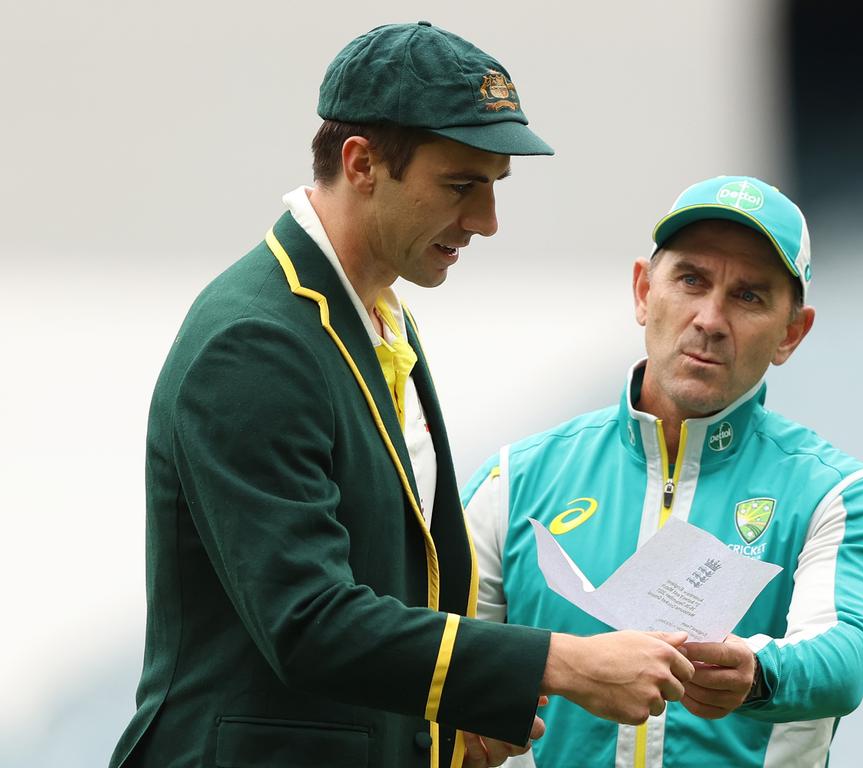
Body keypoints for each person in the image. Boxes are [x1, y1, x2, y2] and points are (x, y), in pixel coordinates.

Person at [108, 22, 696, 768]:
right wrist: (560, 663)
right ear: (361, 164)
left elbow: (391, 601)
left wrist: (452, 725)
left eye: (493, 187)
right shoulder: (252, 343)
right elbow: (311, 623)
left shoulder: (378, 313)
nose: (486, 221)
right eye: (460, 186)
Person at [463, 175, 863, 768]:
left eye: (749, 296)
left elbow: (848, 653)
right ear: (644, 290)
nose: (710, 318)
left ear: (791, 333)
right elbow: (449, 660)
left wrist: (758, 673)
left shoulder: (835, 494)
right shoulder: (511, 483)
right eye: (691, 279)